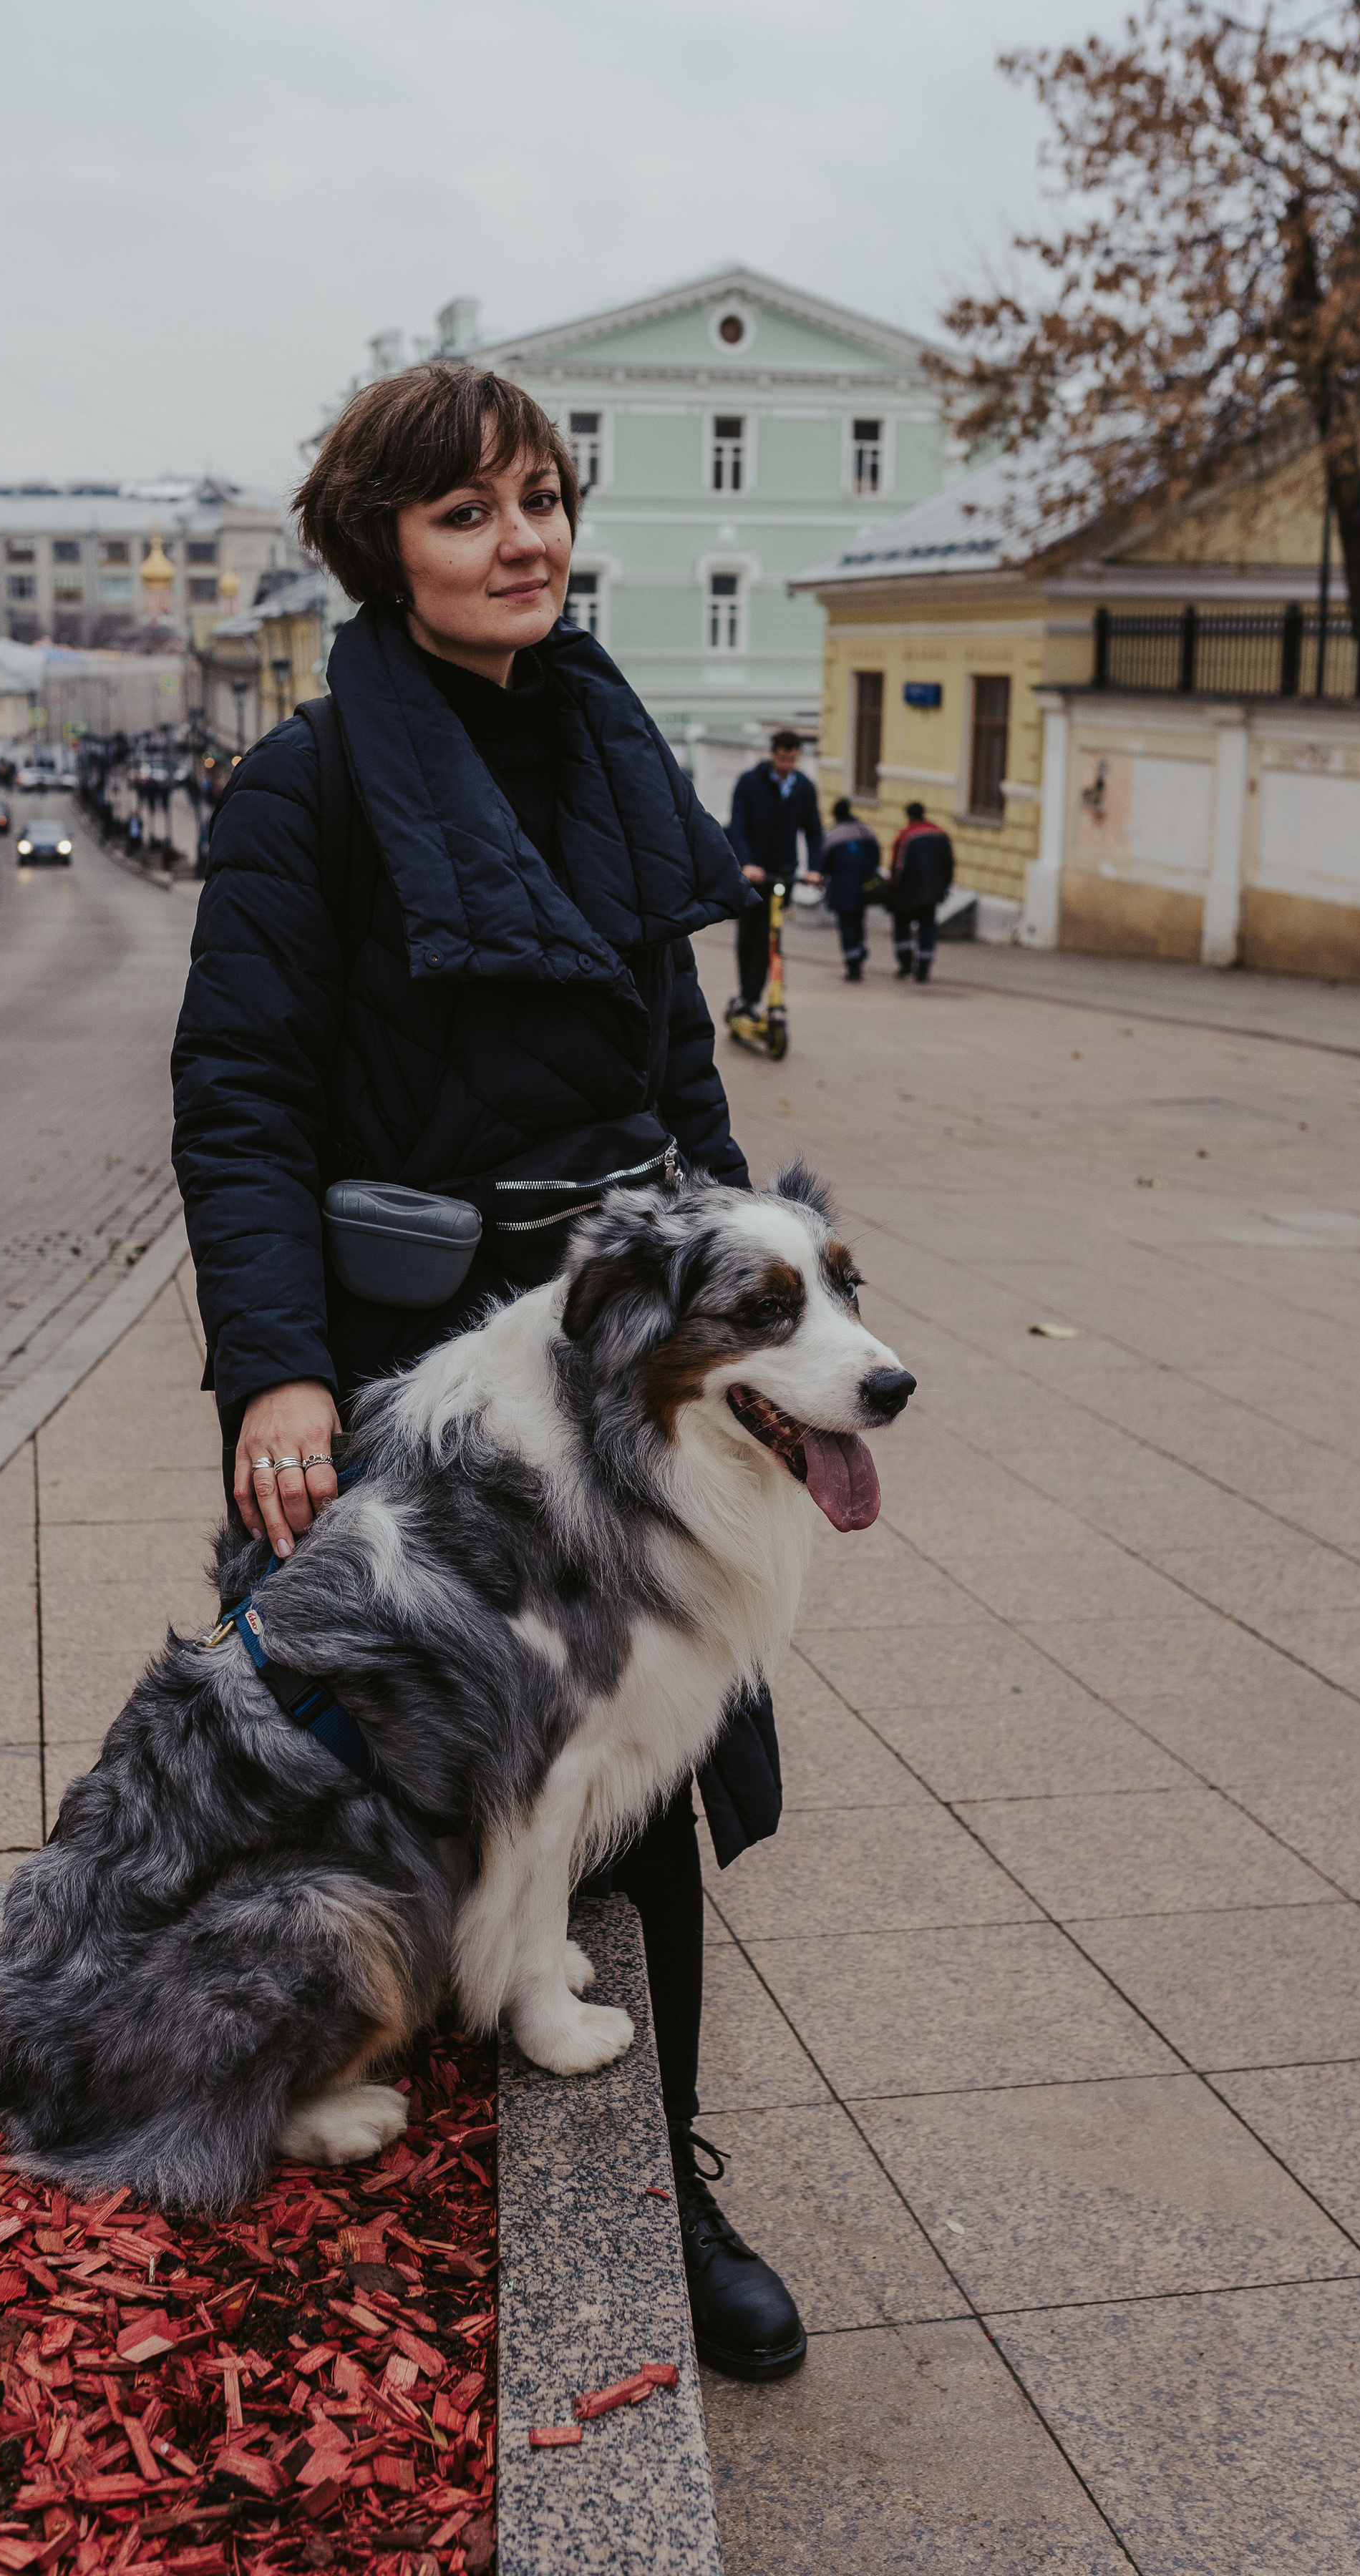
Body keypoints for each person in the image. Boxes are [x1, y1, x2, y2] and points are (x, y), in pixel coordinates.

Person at [171, 361, 808, 2385]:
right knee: (380, 1775)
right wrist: (274, 1374)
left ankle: (660, 2182)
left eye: (540, 498)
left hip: (621, 1351)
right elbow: (244, 1100)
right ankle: (356, 2115)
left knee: (644, 1764)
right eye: (468, 511)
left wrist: (737, 1298)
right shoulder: (309, 787)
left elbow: (676, 1070)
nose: (522, 537)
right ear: (385, 543)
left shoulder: (617, 756)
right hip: (412, 1377)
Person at [725, 729, 821, 1014]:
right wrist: (746, 863)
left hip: (783, 874)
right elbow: (737, 828)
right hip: (754, 875)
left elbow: (814, 833)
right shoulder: (750, 783)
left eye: (792, 760)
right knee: (750, 934)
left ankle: (758, 996)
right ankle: (747, 995)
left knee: (771, 936)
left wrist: (814, 869)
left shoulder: (803, 787)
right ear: (773, 754)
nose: (786, 765)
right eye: (782, 758)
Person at [888, 799, 955, 982]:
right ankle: (924, 968)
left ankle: (906, 964)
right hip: (933, 891)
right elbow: (949, 863)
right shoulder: (941, 834)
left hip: (908, 892)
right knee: (927, 928)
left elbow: (897, 866)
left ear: (909, 817)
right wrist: (945, 886)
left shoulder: (906, 836)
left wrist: (893, 887)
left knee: (902, 926)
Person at [819, 796, 882, 983]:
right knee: (859, 920)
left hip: (841, 888)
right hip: (864, 887)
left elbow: (823, 863)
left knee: (846, 924)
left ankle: (853, 963)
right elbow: (876, 856)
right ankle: (859, 949)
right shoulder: (865, 831)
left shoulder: (832, 835)